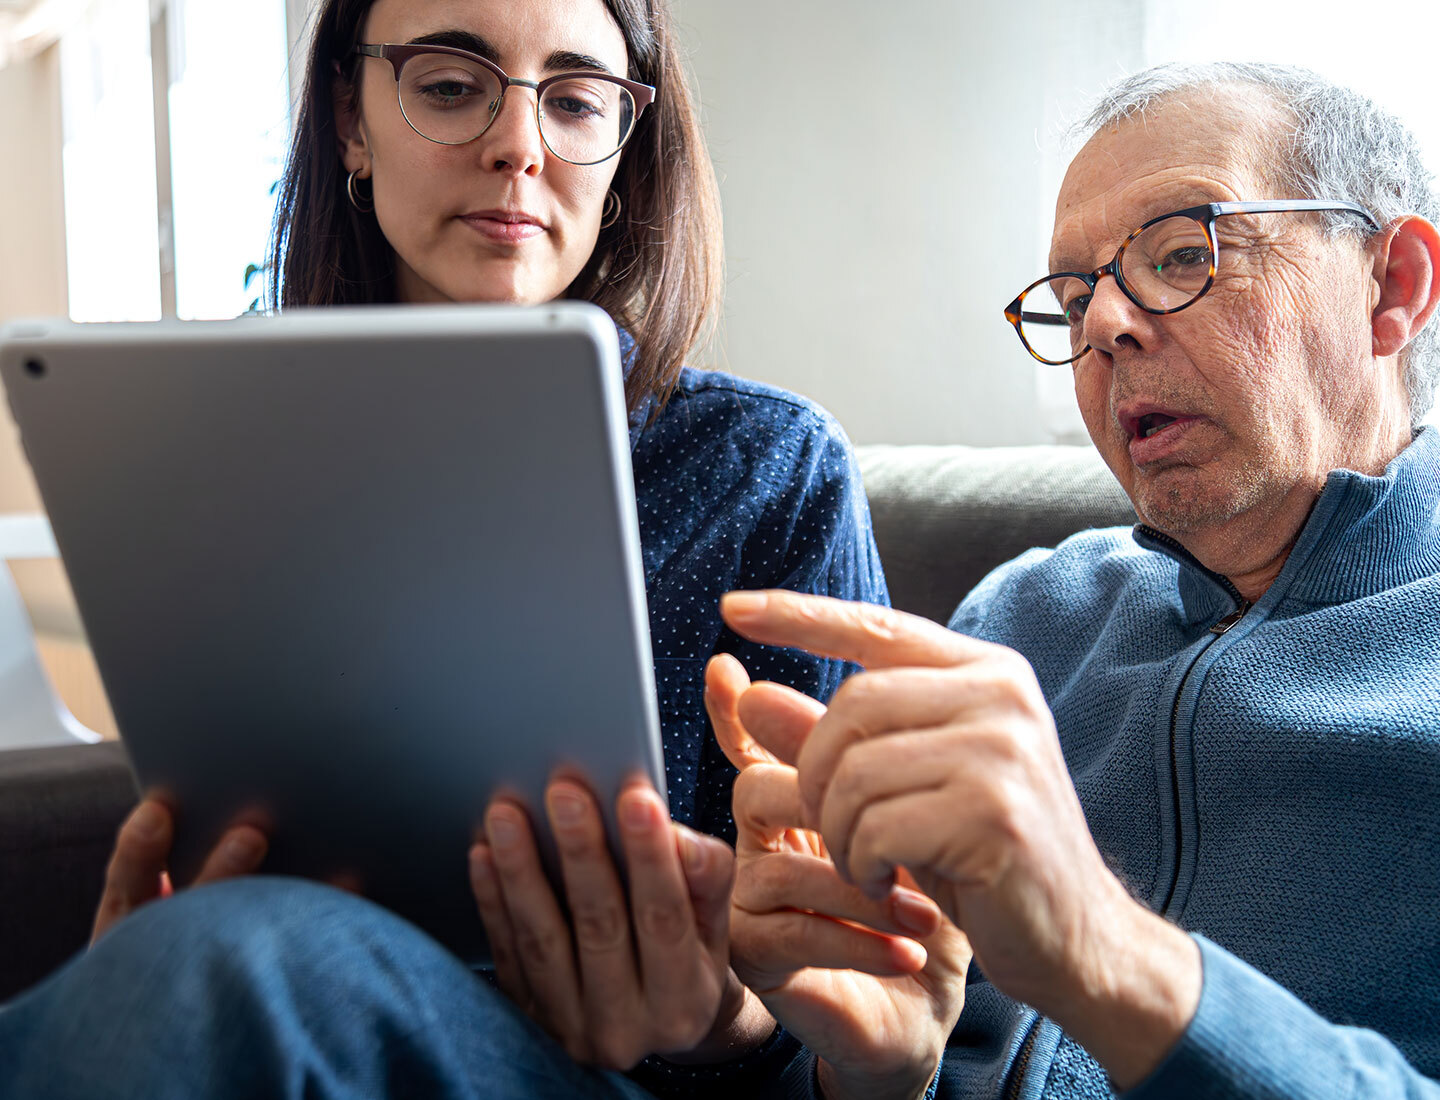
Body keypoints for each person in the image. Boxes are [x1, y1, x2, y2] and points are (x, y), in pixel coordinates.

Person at [0, 0, 883, 1089]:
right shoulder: (212, 446)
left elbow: (846, 1022)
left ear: (627, 152)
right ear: (351, 123)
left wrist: (718, 1020)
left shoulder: (771, 468)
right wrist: (146, 968)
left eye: (574, 100)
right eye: (452, 85)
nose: (519, 143)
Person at [702, 61, 1440, 1098]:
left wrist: (1107, 955)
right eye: (1076, 293)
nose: (1104, 326)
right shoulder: (1014, 618)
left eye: (1184, 251)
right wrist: (874, 1071)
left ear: (1392, 285)